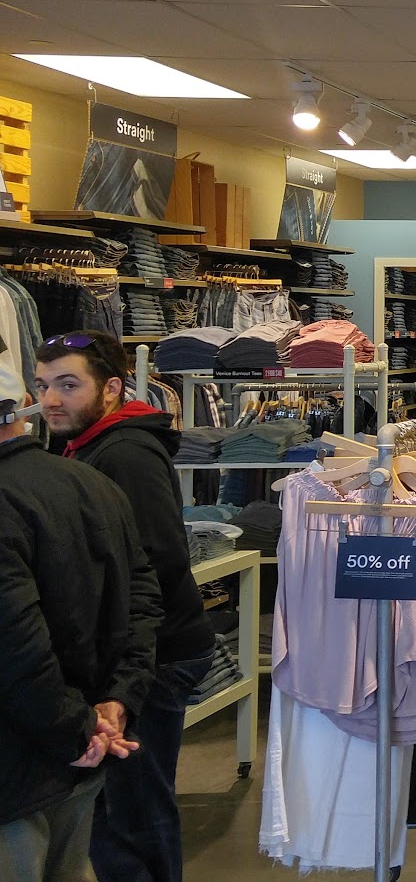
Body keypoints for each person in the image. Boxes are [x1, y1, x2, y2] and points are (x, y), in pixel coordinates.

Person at [35, 332, 210, 882]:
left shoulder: (125, 453)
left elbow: (159, 558)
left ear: (111, 388)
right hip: (136, 652)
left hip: (151, 654)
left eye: (68, 385)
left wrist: (123, 673)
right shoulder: (86, 445)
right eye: (42, 386)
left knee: (132, 812)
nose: (50, 400)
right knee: (117, 811)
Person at [0, 391, 162, 881]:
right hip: (84, 751)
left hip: (23, 768)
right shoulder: (90, 480)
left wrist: (80, 729)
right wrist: (117, 701)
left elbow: (16, 646)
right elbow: (142, 598)